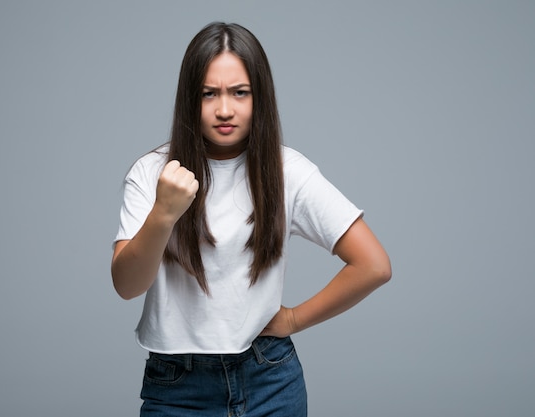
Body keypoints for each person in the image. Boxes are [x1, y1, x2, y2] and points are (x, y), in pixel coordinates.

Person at [111, 22, 391, 417]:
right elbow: (127, 286)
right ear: (189, 98)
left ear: (260, 96)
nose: (225, 109)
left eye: (240, 93)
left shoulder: (287, 171)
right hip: (176, 388)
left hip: (269, 380)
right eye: (209, 94)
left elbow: (374, 265)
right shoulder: (151, 172)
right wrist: (163, 213)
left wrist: (292, 319)